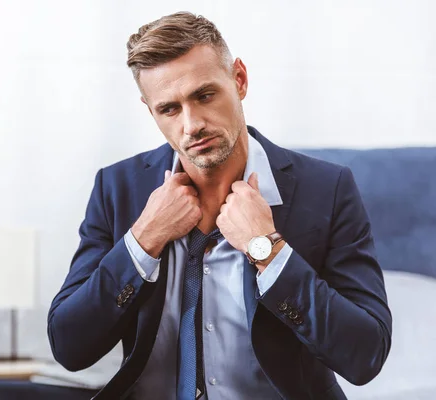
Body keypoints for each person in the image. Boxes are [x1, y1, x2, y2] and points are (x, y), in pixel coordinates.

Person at [47, 11, 392, 400]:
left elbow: (367, 354)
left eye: (204, 95)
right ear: (150, 111)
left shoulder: (327, 190)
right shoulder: (117, 188)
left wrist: (268, 251)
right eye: (170, 109)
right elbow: (69, 346)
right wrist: (143, 240)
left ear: (239, 79)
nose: (192, 124)